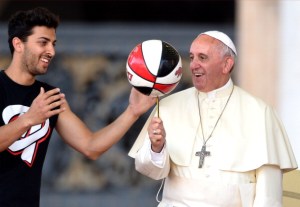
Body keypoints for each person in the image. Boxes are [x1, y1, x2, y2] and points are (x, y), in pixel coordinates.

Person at [0, 7, 156, 207]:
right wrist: (29, 119)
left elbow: (90, 146)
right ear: (18, 44)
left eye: (53, 44)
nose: (51, 51)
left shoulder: (50, 96)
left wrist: (132, 112)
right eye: (43, 43)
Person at [128, 30, 298, 207]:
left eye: (202, 58)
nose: (193, 65)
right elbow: (151, 172)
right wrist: (156, 148)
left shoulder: (260, 112)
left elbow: (268, 196)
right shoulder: (168, 106)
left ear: (227, 65)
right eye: (192, 57)